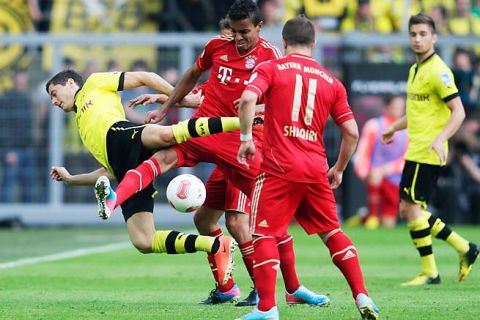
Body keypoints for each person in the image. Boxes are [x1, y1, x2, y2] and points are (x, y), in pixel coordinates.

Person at [111, 0, 324, 308]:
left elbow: (280, 100)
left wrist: (253, 108)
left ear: (259, 28)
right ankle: (226, 287)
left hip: (243, 145)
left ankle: (288, 287)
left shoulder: (269, 57)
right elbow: (197, 86)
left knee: (251, 221)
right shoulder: (217, 50)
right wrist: (166, 104)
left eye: (243, 32)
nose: (237, 38)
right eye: (233, 31)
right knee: (199, 214)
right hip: (205, 133)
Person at [236, 15, 379, 320]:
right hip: (315, 168)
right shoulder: (331, 81)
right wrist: (339, 168)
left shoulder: (272, 68)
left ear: (284, 42)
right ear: (314, 44)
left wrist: (246, 139)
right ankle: (362, 294)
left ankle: (267, 309)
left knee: (262, 235)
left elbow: (248, 99)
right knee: (332, 233)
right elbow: (351, 131)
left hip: (277, 167)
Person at [46, 69, 241, 285]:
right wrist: (71, 179)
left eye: (54, 93)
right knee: (144, 241)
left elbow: (145, 77)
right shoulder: (82, 126)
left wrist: (181, 97)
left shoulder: (94, 83)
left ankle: (241, 122)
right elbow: (109, 170)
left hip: (122, 134)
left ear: (71, 83)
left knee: (167, 134)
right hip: (125, 169)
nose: (53, 101)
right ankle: (215, 245)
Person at [381, 13, 479, 286]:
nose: (417, 38)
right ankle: (463, 250)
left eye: (423, 34)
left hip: (428, 152)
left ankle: (433, 270)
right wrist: (394, 128)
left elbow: (458, 111)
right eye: (413, 34)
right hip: (417, 150)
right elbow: (416, 113)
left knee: (410, 211)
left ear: (434, 37)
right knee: (409, 210)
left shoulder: (439, 70)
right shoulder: (415, 70)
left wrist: (440, 138)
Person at [350, 95, 407, 229]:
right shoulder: (374, 126)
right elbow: (362, 153)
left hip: (396, 179)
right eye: (396, 106)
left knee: (388, 224)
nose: (399, 110)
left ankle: (362, 219)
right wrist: (365, 173)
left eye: (401, 107)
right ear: (387, 107)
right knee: (375, 174)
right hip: (375, 177)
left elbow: (408, 157)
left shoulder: (408, 130)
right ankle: (372, 216)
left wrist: (388, 169)